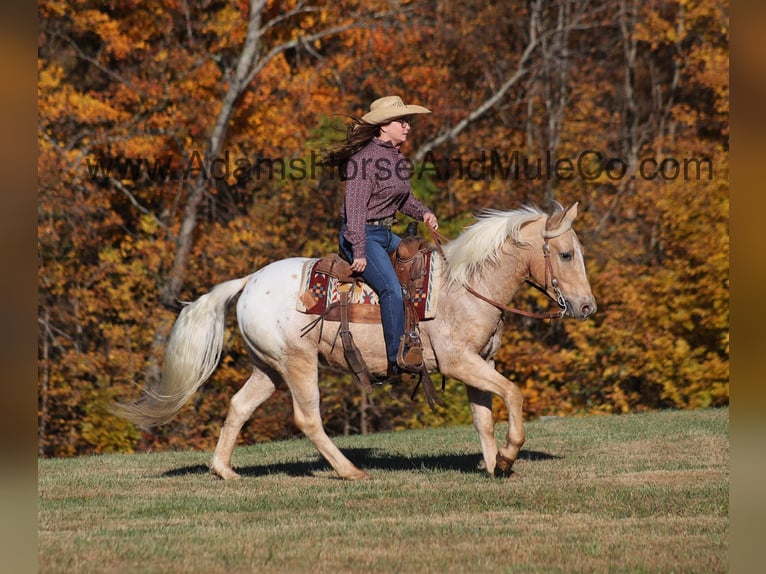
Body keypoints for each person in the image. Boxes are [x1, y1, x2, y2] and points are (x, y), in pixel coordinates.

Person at [323, 95, 439, 382]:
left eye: (408, 122)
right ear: (383, 126)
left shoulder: (396, 159)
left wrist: (423, 213)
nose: (407, 127)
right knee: (390, 289)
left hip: (385, 233)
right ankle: (396, 362)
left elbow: (404, 200)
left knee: (424, 269)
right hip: (361, 235)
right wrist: (358, 250)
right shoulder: (364, 161)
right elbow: (355, 210)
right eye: (402, 122)